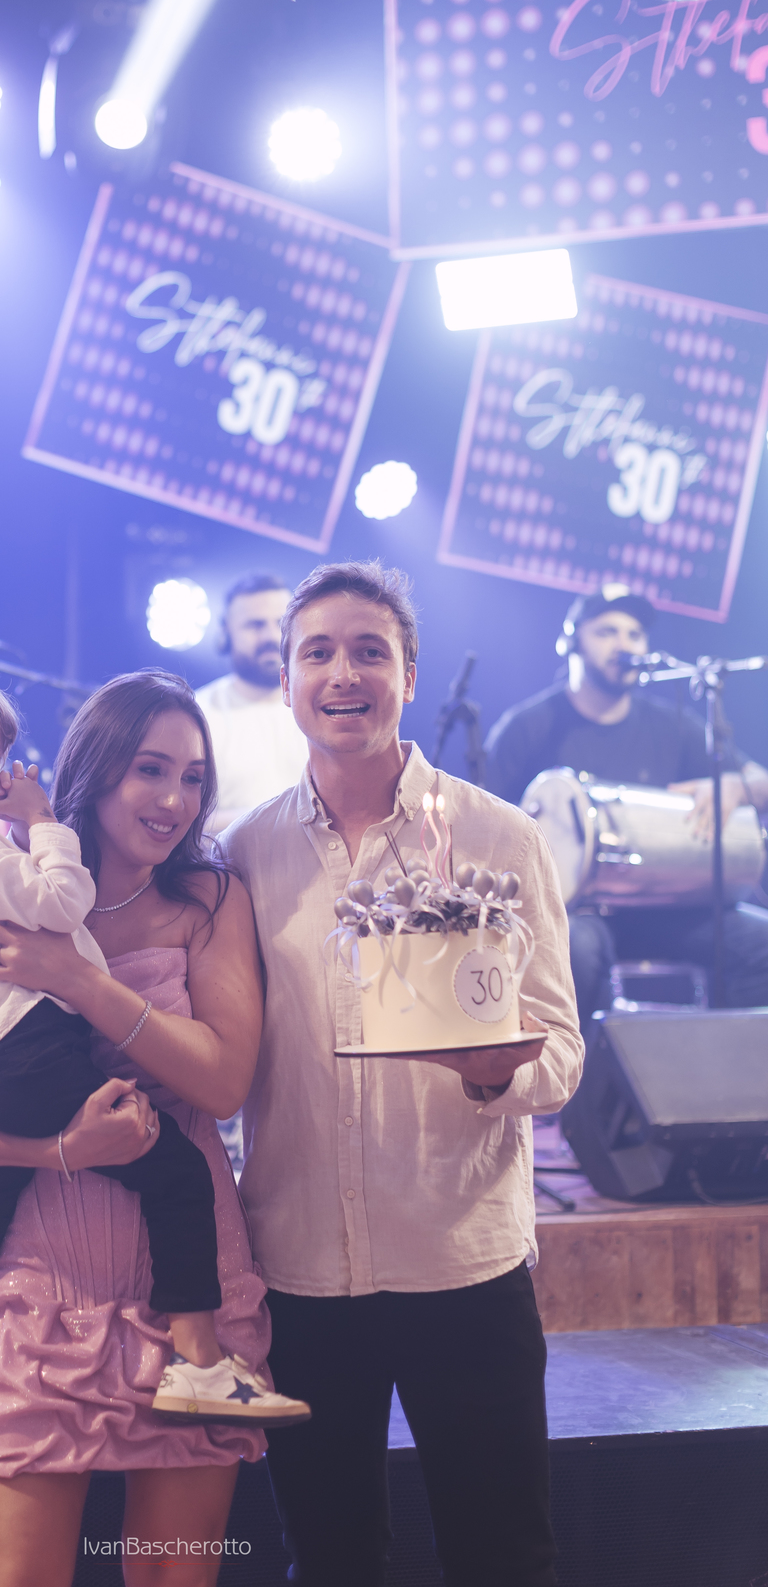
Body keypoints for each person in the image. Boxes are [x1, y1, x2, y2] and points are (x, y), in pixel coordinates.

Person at [0, 660, 305, 1527]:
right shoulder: (10, 876)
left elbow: (223, 1083)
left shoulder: (208, 896)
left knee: (174, 1573)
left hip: (187, 1276)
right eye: (150, 770)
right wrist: (56, 1151)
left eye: (193, 777)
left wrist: (81, 983)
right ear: (96, 769)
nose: (174, 799)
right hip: (41, 1286)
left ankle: (195, 1365)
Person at [220, 559, 584, 1587]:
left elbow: (561, 1050)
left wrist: (493, 1075)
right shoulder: (241, 854)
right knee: (330, 1558)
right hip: (302, 1272)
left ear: (409, 676)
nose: (343, 673)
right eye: (317, 653)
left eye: (369, 652)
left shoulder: (499, 836)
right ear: (287, 681)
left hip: (461, 1263)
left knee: (503, 1556)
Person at [485, 585, 768, 1026]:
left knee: (760, 942)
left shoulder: (673, 725)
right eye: (607, 631)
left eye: (635, 634)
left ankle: (738, 1067)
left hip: (669, 908)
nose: (625, 644)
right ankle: (572, 1069)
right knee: (573, 949)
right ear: (572, 641)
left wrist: (733, 786)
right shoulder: (528, 728)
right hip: (577, 913)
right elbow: (483, 831)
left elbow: (760, 782)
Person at [194, 572, 310, 834]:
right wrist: (278, 820)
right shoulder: (196, 714)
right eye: (255, 625)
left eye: (280, 623)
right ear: (226, 634)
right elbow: (184, 820)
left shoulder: (324, 706)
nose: (270, 636)